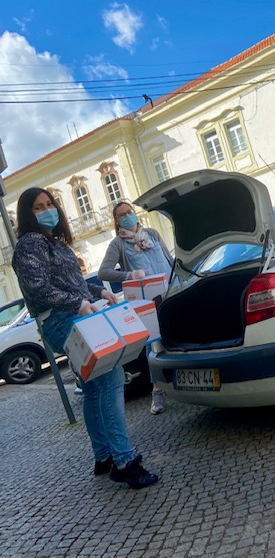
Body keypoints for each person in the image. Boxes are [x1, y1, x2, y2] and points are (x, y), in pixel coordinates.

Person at [12, 188, 159, 490]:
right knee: (111, 376)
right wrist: (78, 304)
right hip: (61, 319)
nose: (47, 210)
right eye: (38, 207)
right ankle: (124, 461)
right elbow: (39, 288)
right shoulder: (30, 243)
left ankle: (104, 456)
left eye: (50, 204)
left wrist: (98, 292)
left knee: (93, 387)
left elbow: (73, 283)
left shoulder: (52, 242)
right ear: (28, 214)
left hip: (69, 317)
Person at [99, 201, 174, 415]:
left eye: (130, 212)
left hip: (169, 292)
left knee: (176, 333)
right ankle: (157, 389)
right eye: (122, 214)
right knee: (153, 342)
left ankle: (182, 379)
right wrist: (128, 275)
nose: (128, 216)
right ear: (117, 220)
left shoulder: (151, 233)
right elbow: (104, 272)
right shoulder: (118, 245)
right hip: (147, 300)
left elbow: (168, 259)